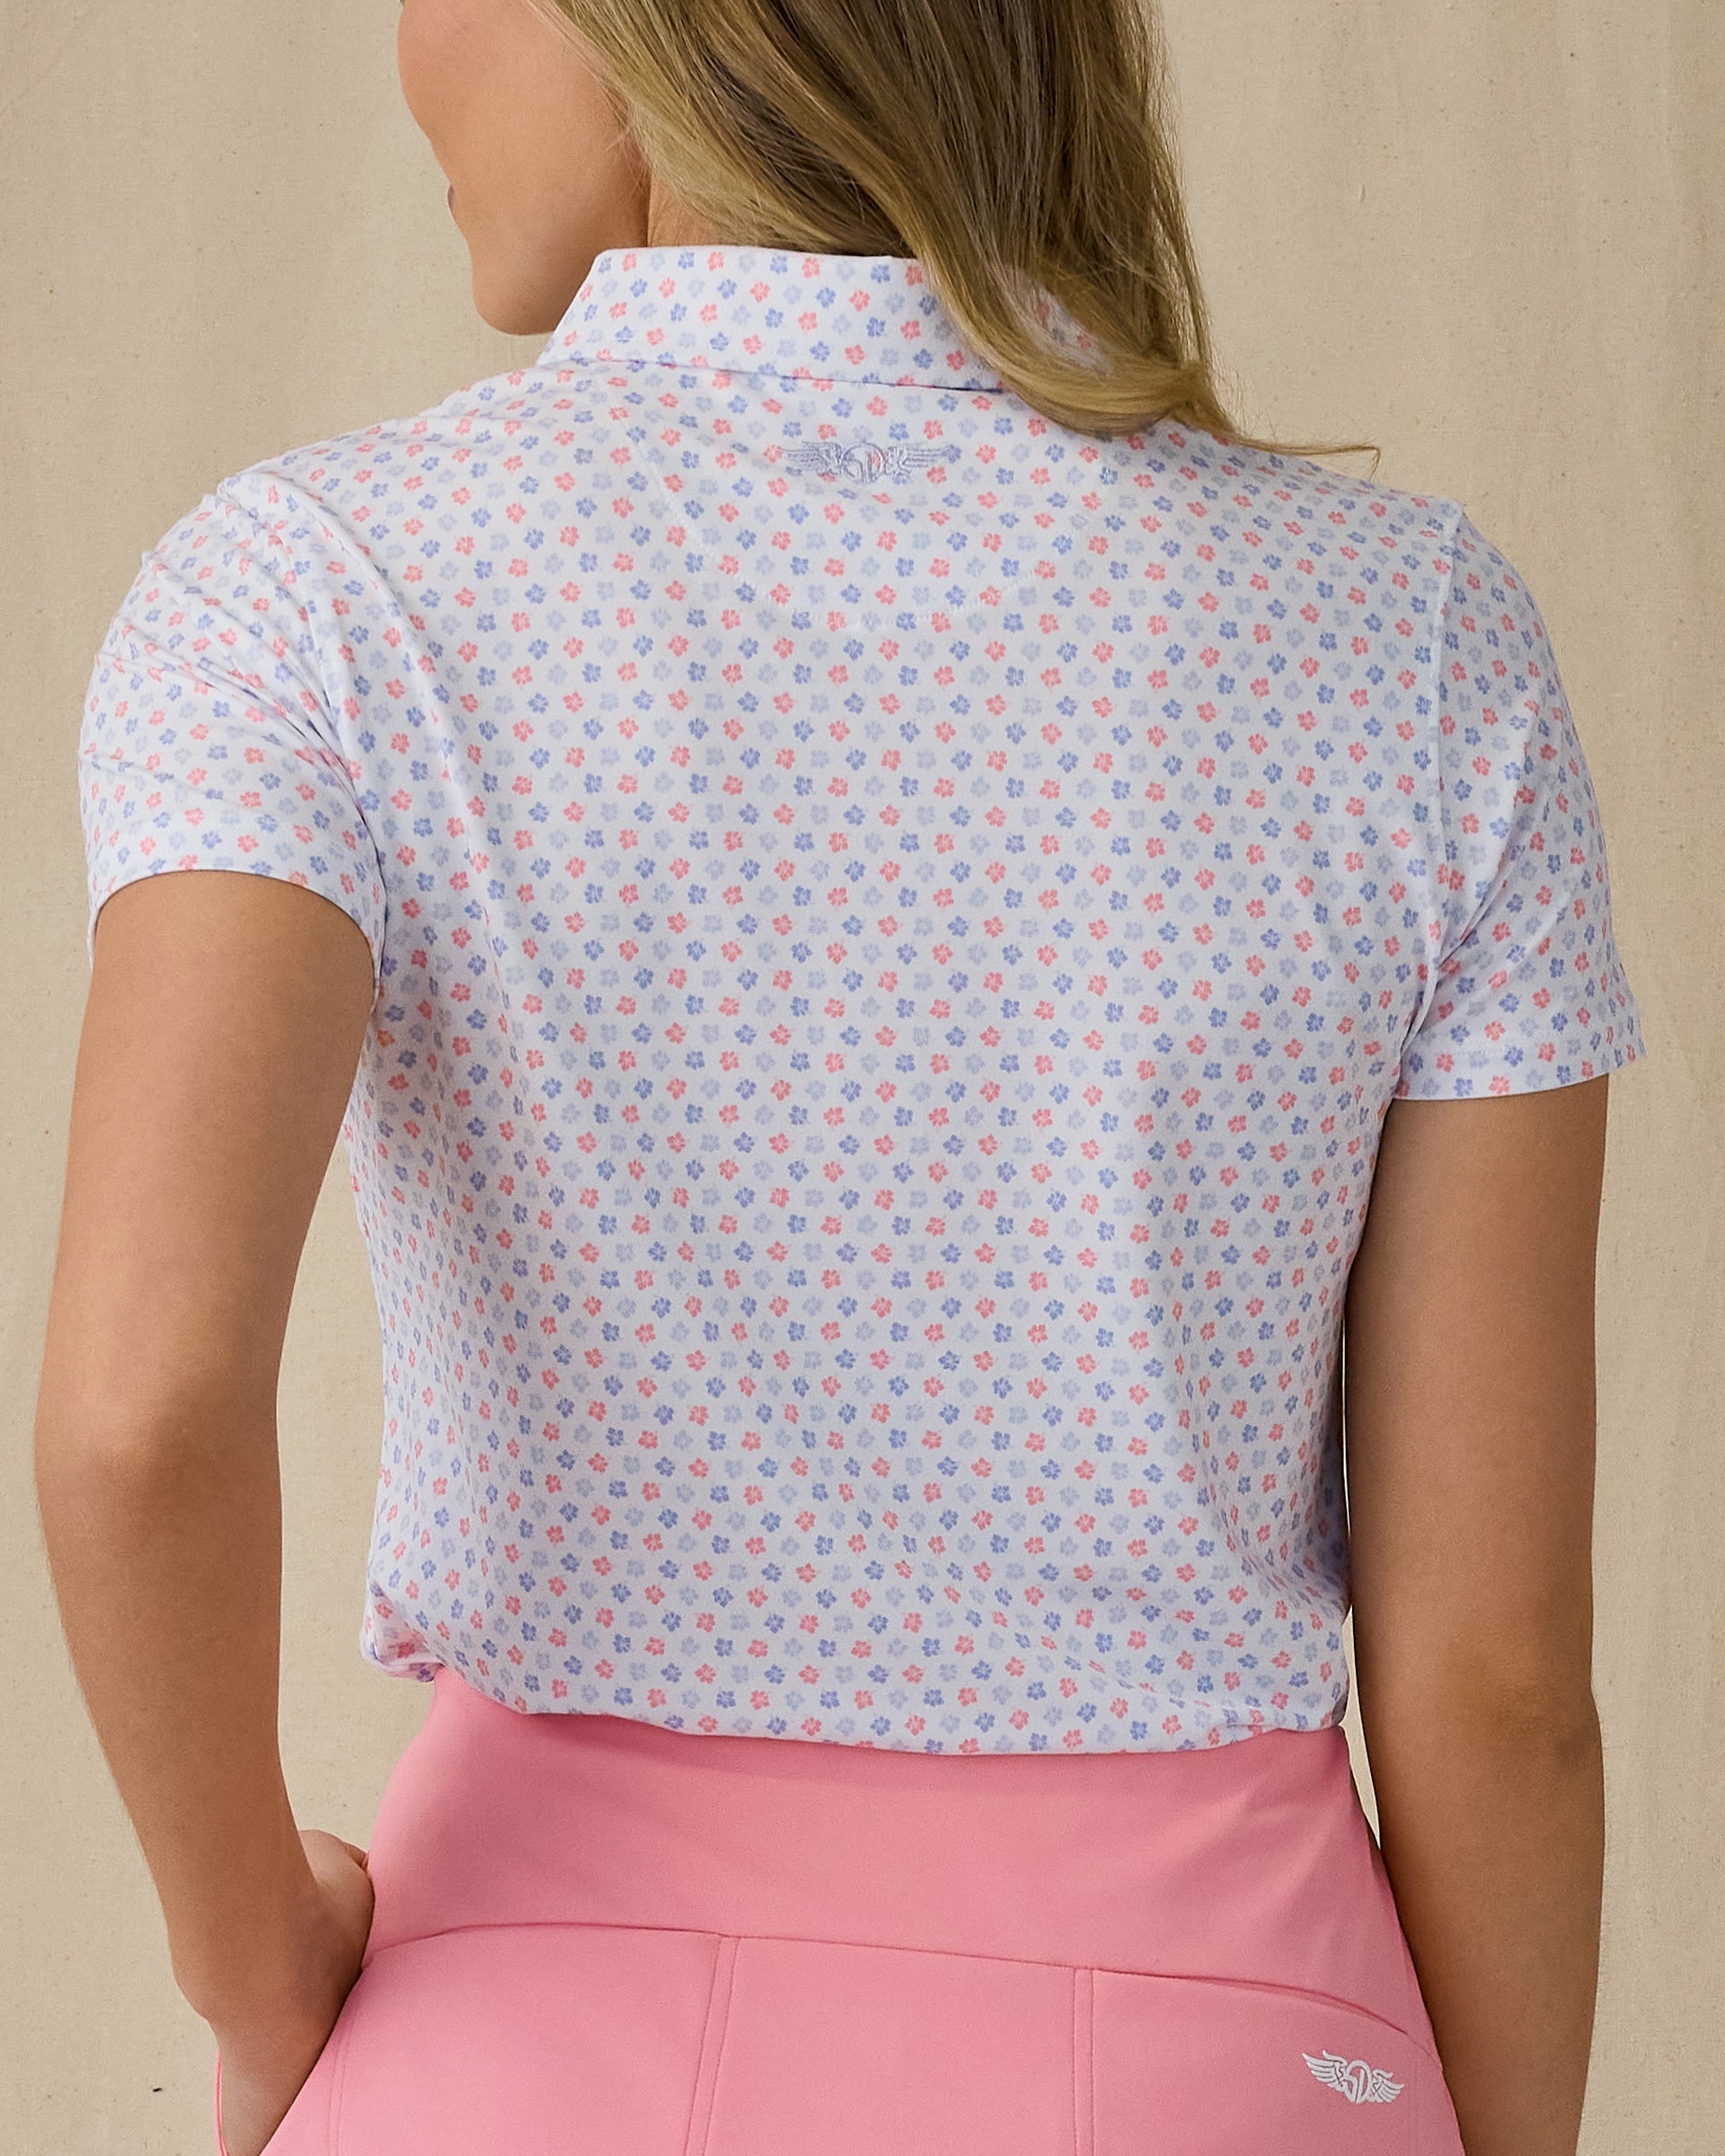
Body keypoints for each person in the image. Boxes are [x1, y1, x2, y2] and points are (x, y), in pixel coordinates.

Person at [33, 1, 1648, 2152]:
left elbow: (137, 1418)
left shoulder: (314, 598)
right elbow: (1500, 1684)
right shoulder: (1414, 642)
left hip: (514, 2054)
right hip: (1229, 2051)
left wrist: (259, 1965)